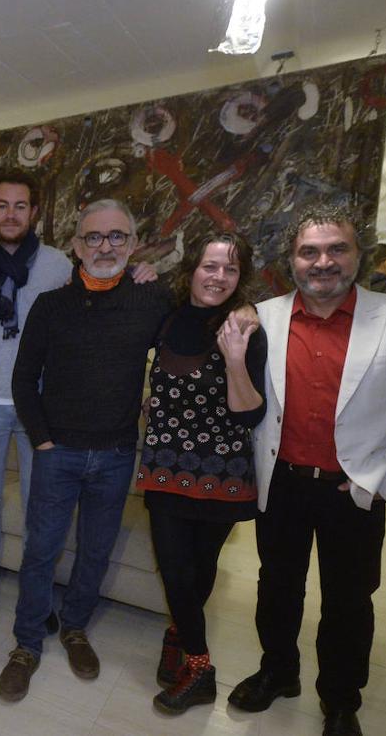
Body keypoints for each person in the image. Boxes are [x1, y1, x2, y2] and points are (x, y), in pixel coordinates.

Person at [228, 201, 386, 736]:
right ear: (292, 260)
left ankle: (339, 700)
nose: (323, 262)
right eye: (309, 251)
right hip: (281, 483)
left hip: (353, 489)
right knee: (276, 587)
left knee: (349, 601)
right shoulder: (264, 317)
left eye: (337, 249)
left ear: (359, 255)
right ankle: (277, 672)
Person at [0, 198, 175, 702]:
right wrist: (43, 441)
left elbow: (188, 343)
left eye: (117, 236)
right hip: (59, 453)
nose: (105, 246)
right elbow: (23, 379)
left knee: (95, 551)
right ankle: (26, 644)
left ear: (133, 244)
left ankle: (74, 627)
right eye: (93, 237)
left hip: (116, 455)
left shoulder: (152, 300)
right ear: (76, 246)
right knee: (40, 552)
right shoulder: (51, 307)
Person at [137, 228, 267, 715]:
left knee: (198, 568)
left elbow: (249, 414)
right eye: (210, 266)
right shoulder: (167, 318)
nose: (218, 276)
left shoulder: (244, 329)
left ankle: (181, 639)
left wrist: (235, 360)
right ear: (191, 269)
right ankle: (200, 665)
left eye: (230, 269)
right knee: (174, 568)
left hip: (222, 472)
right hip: (164, 466)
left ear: (241, 277)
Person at [0, 169, 71, 626]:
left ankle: (36, 587)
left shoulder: (59, 266)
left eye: (20, 206)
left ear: (34, 212)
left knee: (38, 502)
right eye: (2, 205)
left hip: (39, 405)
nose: (10, 214)